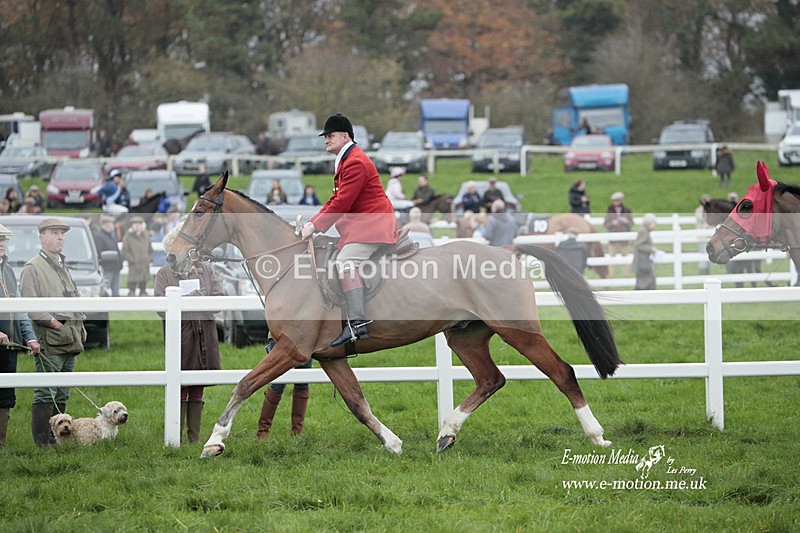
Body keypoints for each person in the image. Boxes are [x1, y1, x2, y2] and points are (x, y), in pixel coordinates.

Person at [300, 113, 398, 346]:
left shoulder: (355, 162)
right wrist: (312, 223)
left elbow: (342, 202)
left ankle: (357, 324)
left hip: (373, 226)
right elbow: (336, 199)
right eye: (325, 136)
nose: (326, 139)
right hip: (362, 225)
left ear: (345, 136)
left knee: (345, 262)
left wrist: (315, 226)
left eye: (330, 135)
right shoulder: (346, 159)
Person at [20, 218, 86, 446]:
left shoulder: (61, 264)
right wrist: (54, 323)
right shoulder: (33, 267)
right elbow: (30, 306)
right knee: (46, 393)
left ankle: (58, 440)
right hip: (51, 340)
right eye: (54, 233)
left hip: (71, 339)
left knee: (62, 393)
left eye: (62, 233)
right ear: (41, 237)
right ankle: (42, 444)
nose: (60, 237)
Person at [154, 229, 224, 443]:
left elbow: (219, 298)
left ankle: (194, 439)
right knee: (179, 385)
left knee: (198, 384)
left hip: (205, 336)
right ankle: (176, 437)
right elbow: (160, 307)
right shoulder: (164, 273)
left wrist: (202, 299)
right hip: (181, 336)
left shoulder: (205, 270)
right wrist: (183, 301)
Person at [0, 223, 42, 447]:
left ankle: (1, 443)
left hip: (9, 345)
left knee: (6, 395)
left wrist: (30, 337)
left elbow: (19, 308)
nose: (1, 244)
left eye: (3, 240)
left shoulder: (7, 270)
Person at [256, 338, 311, 440]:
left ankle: (296, 434)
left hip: (306, 338)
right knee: (277, 384)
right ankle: (262, 432)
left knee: (302, 383)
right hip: (281, 337)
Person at [603, 191, 634, 276]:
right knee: (611, 260)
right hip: (613, 240)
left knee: (625, 259)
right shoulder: (609, 210)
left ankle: (626, 275)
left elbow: (631, 223)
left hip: (624, 240)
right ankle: (610, 275)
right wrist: (612, 223)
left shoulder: (627, 210)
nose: (615, 202)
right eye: (614, 201)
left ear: (621, 200)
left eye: (617, 200)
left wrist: (627, 222)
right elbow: (605, 224)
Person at [122, 215, 153, 296]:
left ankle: (143, 293)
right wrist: (132, 260)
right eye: (135, 224)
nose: (137, 226)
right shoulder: (127, 236)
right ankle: (131, 294)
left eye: (139, 224)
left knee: (143, 284)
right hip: (134, 264)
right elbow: (125, 251)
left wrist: (149, 258)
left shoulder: (145, 235)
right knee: (132, 284)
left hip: (144, 263)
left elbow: (150, 248)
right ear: (132, 225)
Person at [93, 215, 123, 296]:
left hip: (116, 268)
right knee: (105, 291)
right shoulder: (99, 237)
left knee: (116, 292)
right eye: (111, 223)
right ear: (106, 224)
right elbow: (99, 254)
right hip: (107, 269)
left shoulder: (111, 236)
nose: (113, 225)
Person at [633, 213, 658, 290]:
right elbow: (639, 245)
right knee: (645, 282)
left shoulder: (644, 231)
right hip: (643, 261)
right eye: (654, 223)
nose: (655, 225)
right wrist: (651, 249)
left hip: (643, 261)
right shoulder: (643, 231)